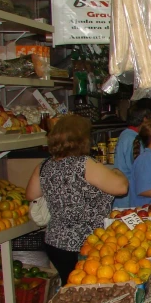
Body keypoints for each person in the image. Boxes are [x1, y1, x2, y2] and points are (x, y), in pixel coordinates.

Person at [25, 115, 129, 282]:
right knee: (89, 288)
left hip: (56, 243)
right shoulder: (84, 164)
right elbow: (121, 187)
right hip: (88, 244)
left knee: (71, 286)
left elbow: (30, 195)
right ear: (83, 139)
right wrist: (118, 173)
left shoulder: (44, 166)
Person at [112, 105, 151, 208]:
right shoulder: (134, 140)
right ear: (145, 119)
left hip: (121, 196)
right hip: (129, 198)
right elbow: (139, 170)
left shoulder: (125, 135)